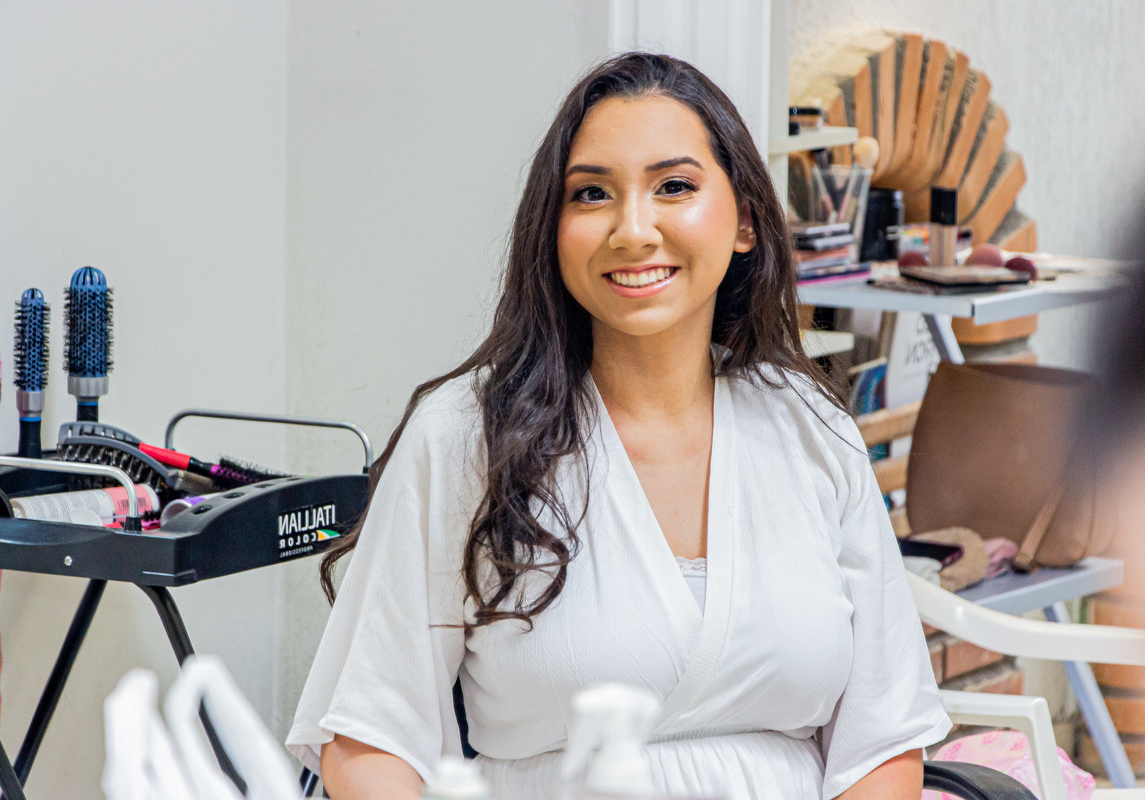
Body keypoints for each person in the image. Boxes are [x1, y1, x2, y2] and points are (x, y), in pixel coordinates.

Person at [287, 52, 950, 800]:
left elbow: (882, 744)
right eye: (593, 193)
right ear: (552, 227)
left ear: (745, 220)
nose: (633, 230)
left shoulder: (812, 428)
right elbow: (369, 741)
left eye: (675, 187)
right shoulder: (466, 437)